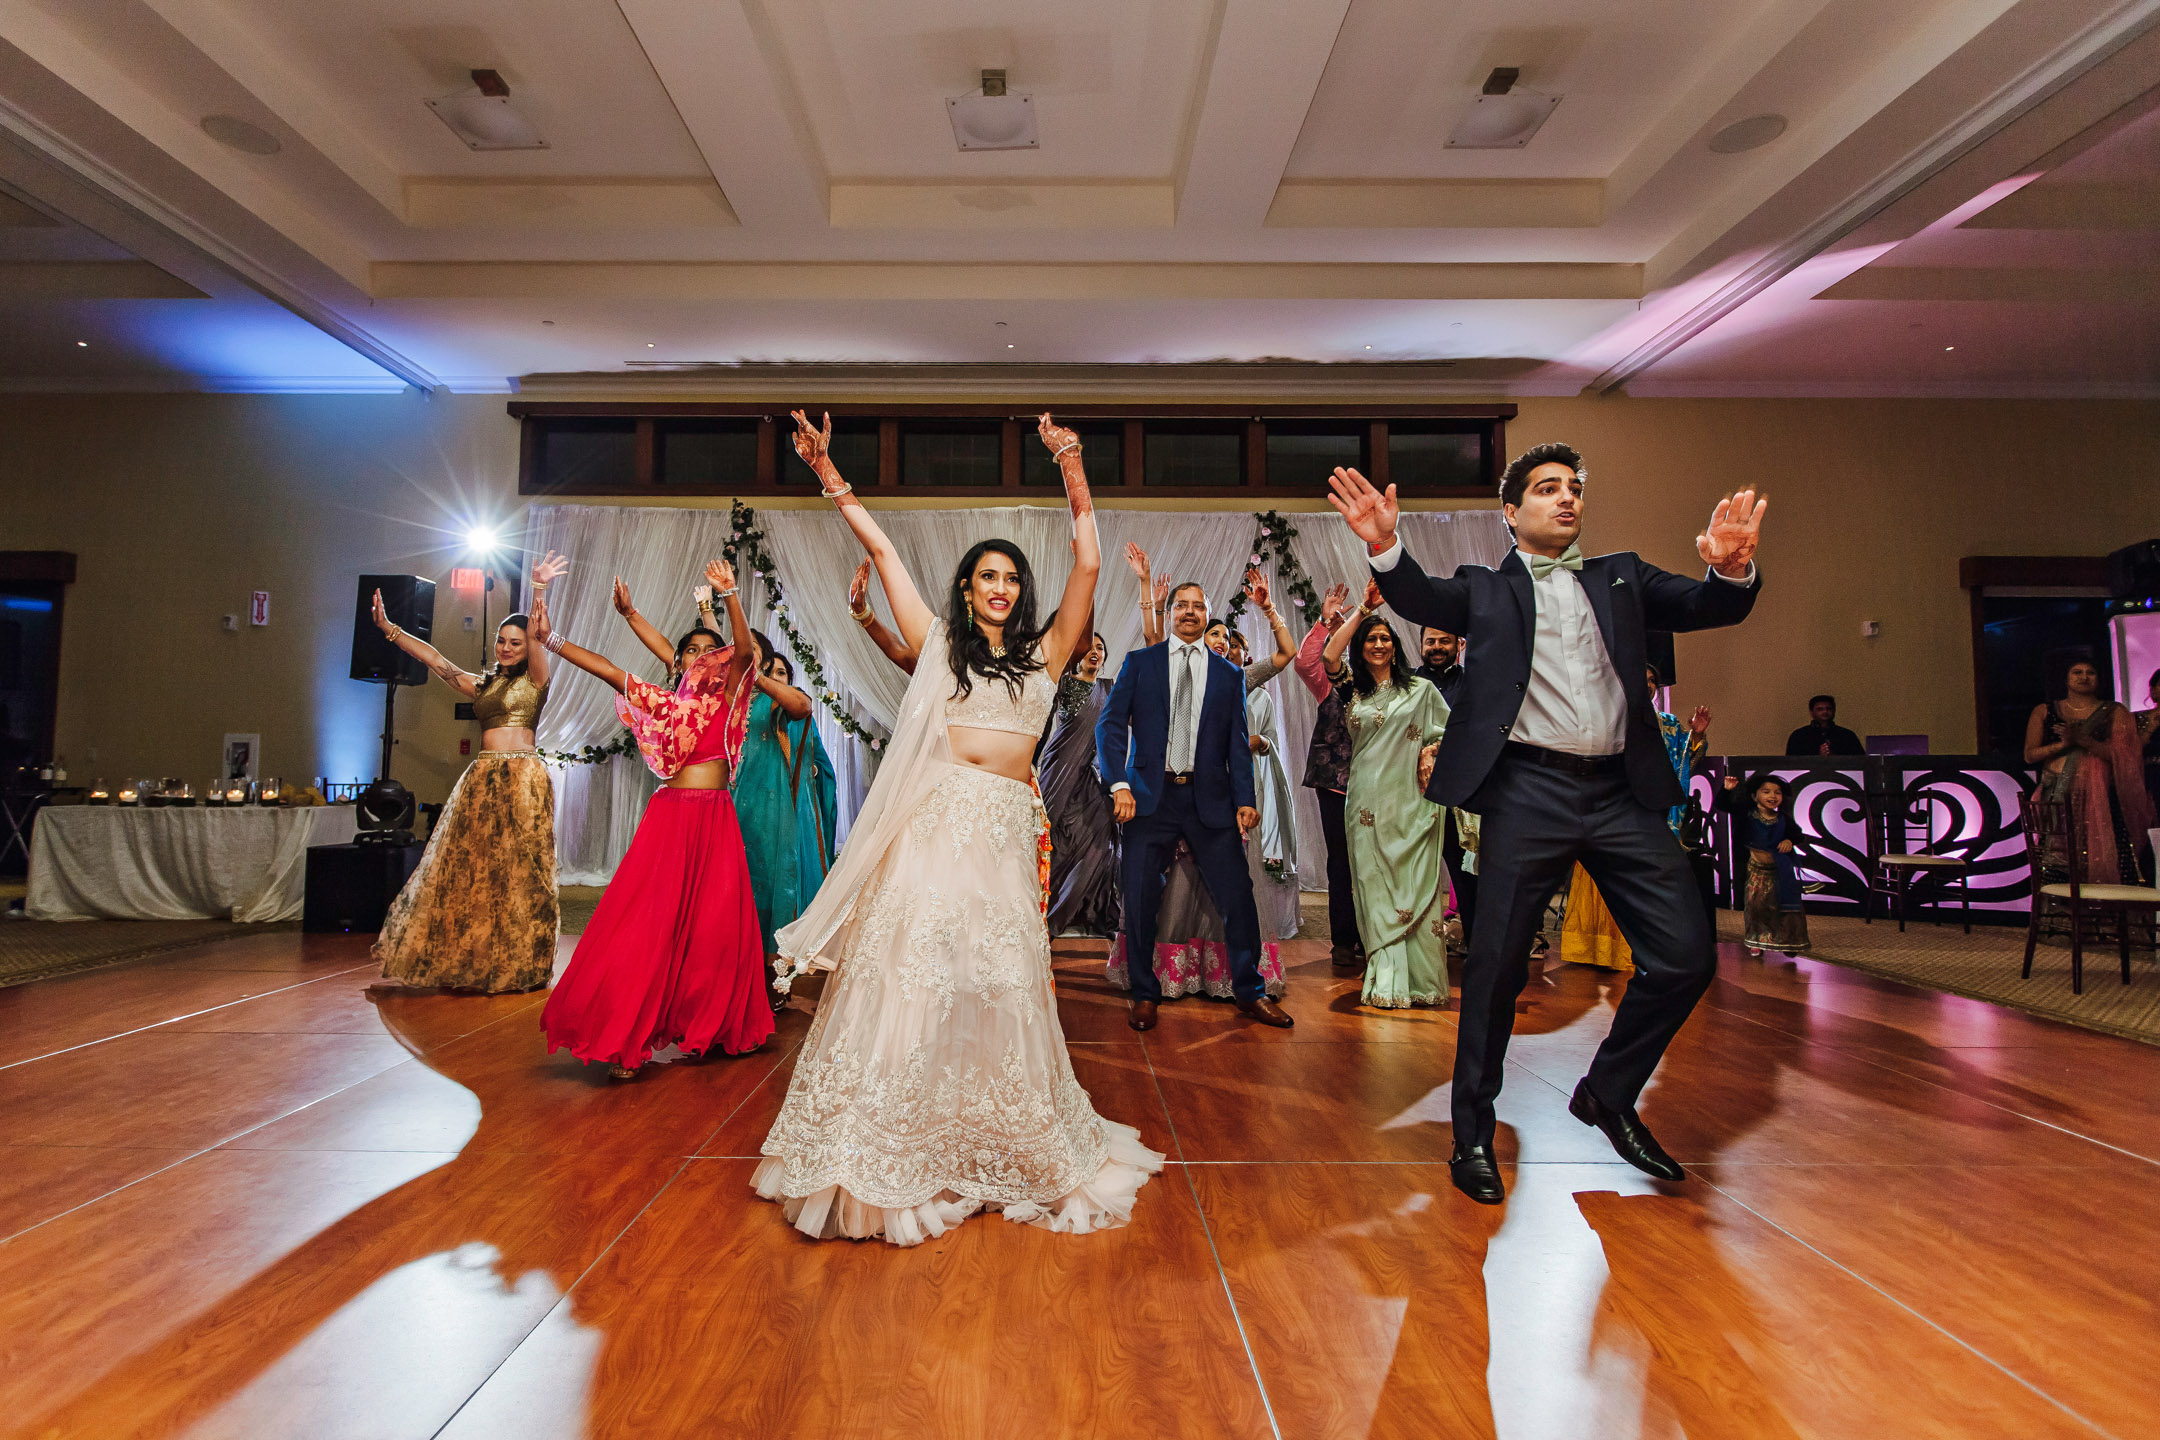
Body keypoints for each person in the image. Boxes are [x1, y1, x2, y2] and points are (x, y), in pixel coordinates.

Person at [754, 410, 1163, 1247]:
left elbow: (1088, 561)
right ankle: (890, 1143)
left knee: (999, 978)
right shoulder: (938, 647)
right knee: (914, 974)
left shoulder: (1050, 655)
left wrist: (1073, 467)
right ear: (968, 591)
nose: (1001, 586)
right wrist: (833, 477)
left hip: (1006, 831)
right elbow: (885, 556)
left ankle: (995, 1134)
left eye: (1011, 576)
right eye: (986, 577)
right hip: (935, 826)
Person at [1330, 443, 1765, 1205]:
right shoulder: (1485, 590)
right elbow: (1423, 599)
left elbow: (1707, 607)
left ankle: (1607, 1093)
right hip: (1528, 791)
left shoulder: (1622, 576)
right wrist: (1382, 543)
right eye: (1545, 489)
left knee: (1686, 956)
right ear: (1511, 511)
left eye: (1574, 488)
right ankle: (1472, 1131)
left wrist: (1729, 567)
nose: (1566, 499)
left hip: (1618, 794)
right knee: (1495, 968)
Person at [535, 560, 775, 1078]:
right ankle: (625, 1040)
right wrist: (552, 639)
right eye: (689, 651)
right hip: (671, 820)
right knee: (647, 927)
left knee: (716, 932)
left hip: (714, 821)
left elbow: (746, 650)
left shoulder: (730, 696)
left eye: (710, 650)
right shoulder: (665, 701)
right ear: (678, 663)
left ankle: (715, 1027)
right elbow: (603, 667)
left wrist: (730, 594)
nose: (701, 656)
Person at [1098, 575, 1294, 1033]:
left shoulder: (1228, 674)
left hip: (1210, 801)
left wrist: (1244, 799)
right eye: (1181, 605)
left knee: (1238, 899)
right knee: (1142, 898)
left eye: (1197, 606)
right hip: (1150, 798)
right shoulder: (1140, 663)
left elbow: (1235, 746)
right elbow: (1109, 726)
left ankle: (1251, 991)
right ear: (1170, 614)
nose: (1189, 612)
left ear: (1207, 614)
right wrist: (1119, 784)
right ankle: (1145, 993)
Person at [371, 550, 568, 993]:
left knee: (521, 870)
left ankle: (523, 961)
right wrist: (390, 631)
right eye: (502, 640)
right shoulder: (482, 684)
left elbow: (539, 639)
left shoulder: (535, 680)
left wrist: (538, 589)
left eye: (514, 642)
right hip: (482, 779)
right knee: (474, 868)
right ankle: (476, 956)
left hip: (522, 778)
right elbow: (435, 659)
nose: (507, 647)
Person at [1322, 581, 1452, 1008]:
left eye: (1385, 638)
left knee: (1414, 883)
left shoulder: (1421, 691)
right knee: (1373, 885)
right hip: (1364, 802)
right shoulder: (1352, 691)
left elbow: (1448, 732)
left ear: (1396, 647)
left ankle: (1422, 982)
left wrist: (1431, 752)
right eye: (1371, 639)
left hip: (1412, 802)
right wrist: (1362, 609)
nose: (1378, 644)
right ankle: (1386, 978)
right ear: (1361, 648)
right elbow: (1328, 656)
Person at [1563, 667, 1711, 972]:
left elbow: (1684, 764)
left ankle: (1637, 948)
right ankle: (1589, 948)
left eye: (1651, 681)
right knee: (1598, 876)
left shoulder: (1667, 725)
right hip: (1605, 807)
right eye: (1638, 679)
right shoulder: (1604, 718)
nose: (1646, 686)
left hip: (1647, 810)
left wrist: (1696, 736)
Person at [732, 638, 835, 974]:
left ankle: (779, 962)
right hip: (742, 804)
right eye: (770, 670)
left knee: (783, 880)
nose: (775, 676)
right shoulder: (738, 704)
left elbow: (817, 758)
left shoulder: (787, 709)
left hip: (792, 806)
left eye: (781, 672)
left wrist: (811, 773)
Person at [2024, 657, 2155, 884]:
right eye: (2077, 672)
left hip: (2102, 797)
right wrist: (2063, 745)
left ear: (2099, 678)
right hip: (2056, 793)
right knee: (2055, 857)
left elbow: (2125, 756)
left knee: (2107, 850)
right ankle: (2063, 909)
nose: (2084, 677)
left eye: (2090, 672)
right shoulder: (2045, 711)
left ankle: (2108, 912)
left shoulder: (2115, 711)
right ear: (2066, 679)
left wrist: (2084, 741)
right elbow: (2030, 755)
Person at [1294, 583, 1366, 972]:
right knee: (1341, 862)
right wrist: (1324, 622)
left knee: (1375, 862)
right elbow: (1305, 663)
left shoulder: (1389, 685)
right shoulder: (1336, 681)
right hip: (1336, 784)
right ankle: (1343, 940)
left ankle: (1376, 935)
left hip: (1379, 786)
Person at [1040, 631, 1123, 936]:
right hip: (1057, 771)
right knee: (1053, 846)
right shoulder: (1061, 684)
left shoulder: (1110, 690)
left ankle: (1058, 921)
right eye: (1089, 647)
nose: (1094, 652)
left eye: (1100, 648)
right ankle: (1038, 918)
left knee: (1102, 842)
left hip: (1089, 777)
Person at [1718, 773, 1810, 955]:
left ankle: (1788, 942)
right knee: (1757, 907)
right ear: (1754, 796)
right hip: (1755, 871)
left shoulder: (1783, 819)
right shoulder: (1746, 815)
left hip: (1780, 870)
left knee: (1786, 907)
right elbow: (1723, 805)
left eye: (1777, 793)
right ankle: (1756, 941)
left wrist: (1790, 841)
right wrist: (1726, 790)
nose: (1772, 796)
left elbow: (1798, 835)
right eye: (1766, 792)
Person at [1785, 695, 1863, 757]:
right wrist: (1817, 757)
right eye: (1820, 709)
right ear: (1812, 712)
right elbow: (1791, 763)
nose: (1825, 712)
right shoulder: (1799, 736)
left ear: (1834, 711)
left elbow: (1861, 760)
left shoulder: (1847, 735)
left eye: (1828, 708)